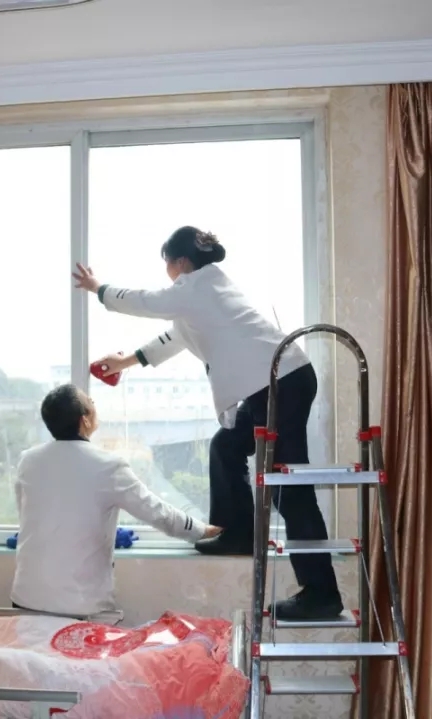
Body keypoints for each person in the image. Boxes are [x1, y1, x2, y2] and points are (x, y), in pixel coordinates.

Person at [71, 226, 342, 622]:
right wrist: (124, 362)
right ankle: (237, 533)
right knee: (226, 446)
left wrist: (99, 289)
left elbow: (145, 302)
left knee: (289, 491)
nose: (167, 271)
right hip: (273, 383)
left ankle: (321, 593)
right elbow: (173, 338)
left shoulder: (196, 286)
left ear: (180, 261)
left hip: (281, 382)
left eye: (167, 262)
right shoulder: (201, 295)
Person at [11, 383, 221, 619]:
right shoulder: (107, 465)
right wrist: (200, 530)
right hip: (78, 605)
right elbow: (155, 511)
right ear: (85, 420)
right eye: (90, 401)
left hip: (27, 597)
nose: (94, 404)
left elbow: (28, 514)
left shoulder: (28, 460)